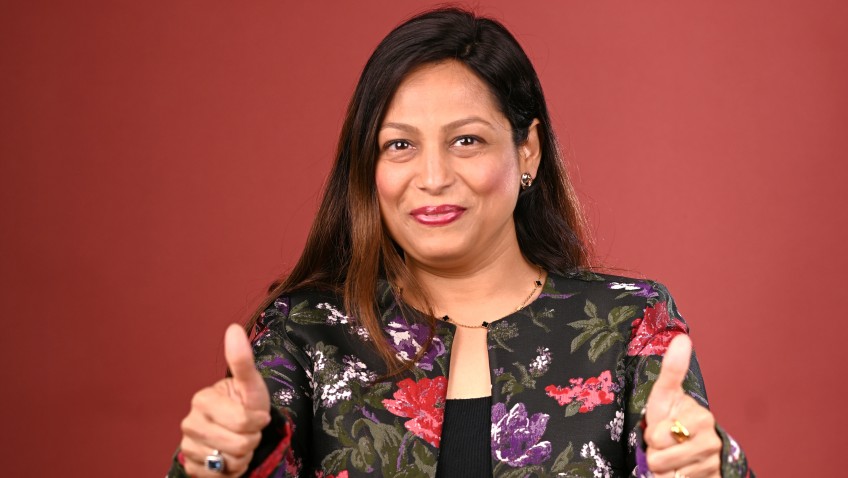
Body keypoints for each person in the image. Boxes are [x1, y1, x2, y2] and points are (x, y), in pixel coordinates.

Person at [169, 7, 753, 478]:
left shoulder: (629, 325)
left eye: (466, 140)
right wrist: (222, 461)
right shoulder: (304, 332)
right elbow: (230, 457)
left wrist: (706, 466)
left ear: (527, 151)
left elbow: (686, 452)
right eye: (400, 145)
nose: (432, 177)